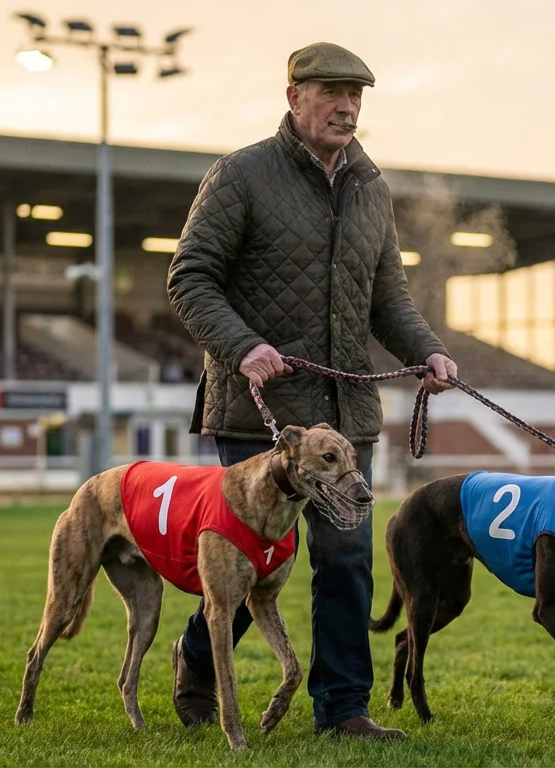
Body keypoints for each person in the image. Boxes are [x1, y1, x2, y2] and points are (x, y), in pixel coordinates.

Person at [165, 41, 458, 741]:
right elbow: (189, 277)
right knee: (242, 566)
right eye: (331, 92)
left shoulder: (371, 189)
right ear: (294, 96)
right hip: (260, 412)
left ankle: (343, 710)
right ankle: (198, 664)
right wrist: (245, 348)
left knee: (348, 557)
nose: (346, 106)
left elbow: (388, 297)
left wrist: (429, 351)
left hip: (344, 421)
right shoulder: (240, 175)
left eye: (356, 95)